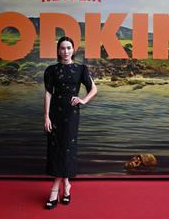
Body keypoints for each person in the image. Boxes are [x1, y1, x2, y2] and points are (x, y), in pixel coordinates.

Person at [43, 36, 97, 209]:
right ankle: (66, 185)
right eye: (62, 48)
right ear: (58, 51)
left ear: (73, 50)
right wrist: (46, 116)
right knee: (57, 148)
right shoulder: (51, 70)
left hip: (71, 115)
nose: (65, 51)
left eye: (68, 48)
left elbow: (93, 89)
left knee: (67, 147)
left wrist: (83, 100)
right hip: (55, 115)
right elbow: (48, 94)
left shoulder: (81, 69)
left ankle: (54, 189)